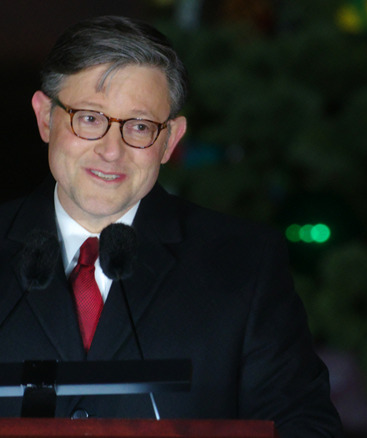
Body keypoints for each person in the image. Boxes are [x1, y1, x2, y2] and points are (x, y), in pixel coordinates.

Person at [0, 15, 342, 437]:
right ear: (45, 118)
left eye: (139, 127)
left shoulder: (244, 264)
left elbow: (304, 426)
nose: (111, 150)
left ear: (170, 140)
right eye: (89, 118)